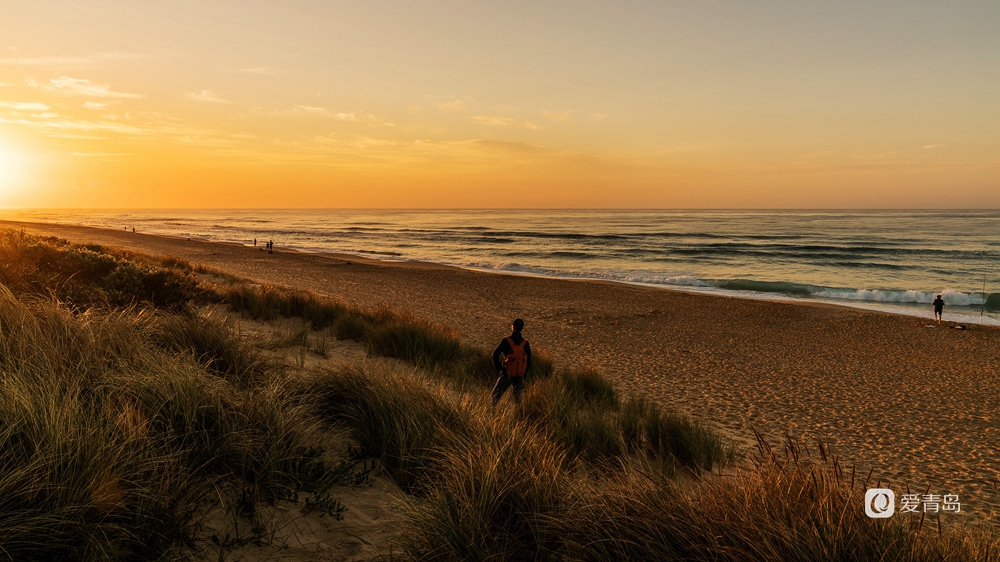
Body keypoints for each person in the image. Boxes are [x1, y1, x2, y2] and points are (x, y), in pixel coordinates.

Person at [491, 318, 531, 405]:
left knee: (495, 395)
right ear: (522, 328)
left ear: (512, 327)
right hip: (520, 375)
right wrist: (524, 375)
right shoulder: (525, 343)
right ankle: (519, 415)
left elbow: (495, 354)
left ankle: (492, 413)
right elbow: (529, 361)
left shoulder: (506, 341)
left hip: (507, 374)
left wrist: (499, 368)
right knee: (518, 399)